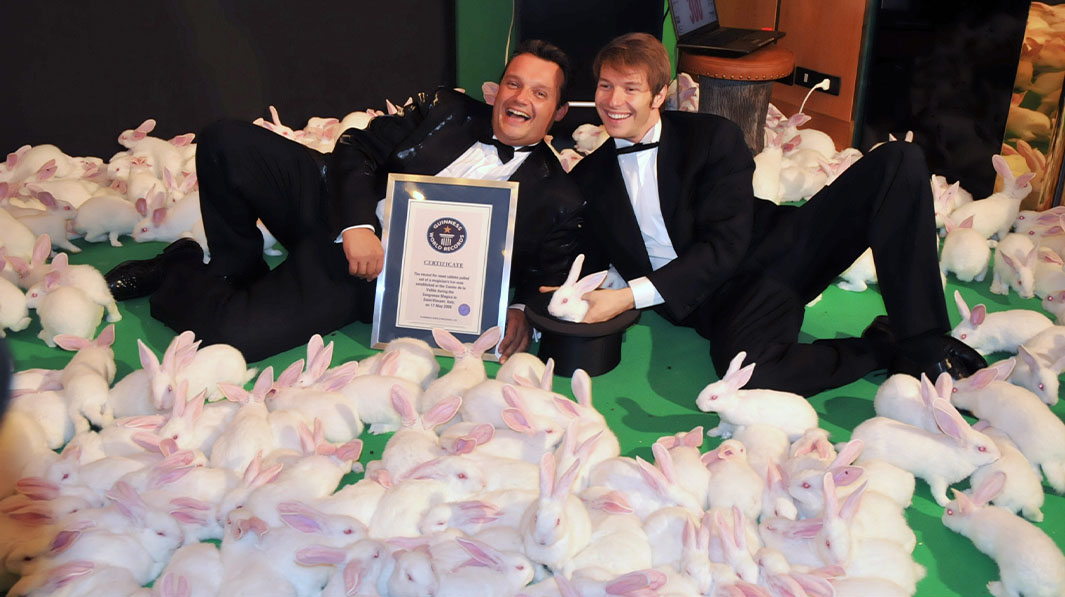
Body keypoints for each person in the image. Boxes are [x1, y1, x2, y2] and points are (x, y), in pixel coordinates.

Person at [106, 40, 582, 363]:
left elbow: (548, 275)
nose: (521, 98)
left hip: (372, 279)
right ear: (497, 89)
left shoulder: (559, 197)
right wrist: (356, 226)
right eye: (515, 83)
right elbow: (355, 147)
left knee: (231, 339)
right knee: (225, 141)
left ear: (558, 112)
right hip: (337, 208)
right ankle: (234, 266)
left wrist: (519, 312)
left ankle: (181, 267)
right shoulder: (446, 109)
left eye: (540, 93)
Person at [564, 32, 985, 396]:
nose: (613, 101)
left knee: (899, 161)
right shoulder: (589, 177)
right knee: (748, 377)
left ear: (659, 94)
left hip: (776, 253)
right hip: (720, 306)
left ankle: (926, 342)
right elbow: (581, 254)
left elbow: (723, 247)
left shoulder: (711, 138)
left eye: (630, 88)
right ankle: (884, 344)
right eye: (605, 86)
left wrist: (628, 296)